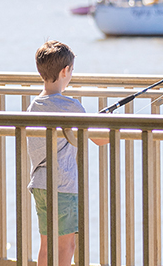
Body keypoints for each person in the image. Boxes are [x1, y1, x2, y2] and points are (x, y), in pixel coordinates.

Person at [27, 40, 109, 266]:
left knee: (46, 245)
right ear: (66, 71)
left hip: (40, 184)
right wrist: (115, 127)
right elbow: (100, 140)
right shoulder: (71, 106)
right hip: (62, 187)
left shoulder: (34, 105)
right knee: (66, 246)